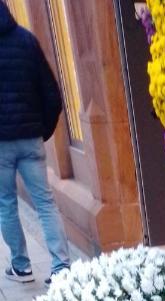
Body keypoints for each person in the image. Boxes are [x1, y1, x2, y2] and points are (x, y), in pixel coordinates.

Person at [0, 0, 70, 284]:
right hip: (31, 140)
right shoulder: (27, 41)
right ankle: (61, 267)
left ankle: (21, 266)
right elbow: (52, 94)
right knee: (45, 203)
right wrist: (42, 132)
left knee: (5, 203)